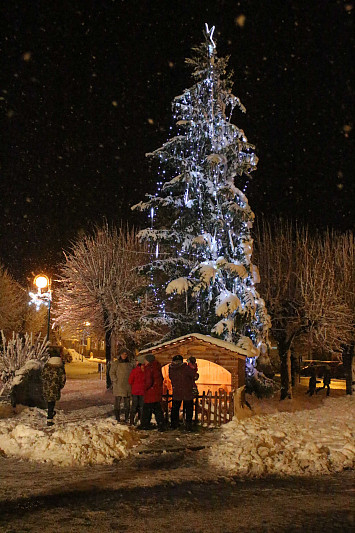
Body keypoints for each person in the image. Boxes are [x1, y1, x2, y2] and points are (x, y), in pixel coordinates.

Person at [169, 354, 197, 431]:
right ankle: (188, 425)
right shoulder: (186, 368)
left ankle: (174, 424)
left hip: (177, 391)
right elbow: (194, 375)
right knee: (188, 409)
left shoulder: (171, 368)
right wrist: (193, 366)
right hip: (187, 391)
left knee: (175, 409)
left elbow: (171, 378)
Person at [140, 354, 165, 431]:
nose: (144, 362)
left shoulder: (149, 368)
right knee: (157, 409)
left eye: (145, 360)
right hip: (156, 391)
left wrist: (144, 388)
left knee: (147, 410)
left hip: (150, 392)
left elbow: (148, 381)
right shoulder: (156, 367)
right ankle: (161, 424)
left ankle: (145, 424)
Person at [41, 354, 66, 426]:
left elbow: (43, 375)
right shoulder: (60, 368)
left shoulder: (47, 366)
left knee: (49, 401)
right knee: (52, 402)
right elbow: (63, 379)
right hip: (55, 387)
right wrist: (60, 386)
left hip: (46, 387)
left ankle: (50, 414)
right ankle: (50, 417)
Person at [109, 349, 133, 423]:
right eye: (123, 354)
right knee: (117, 403)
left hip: (127, 386)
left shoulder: (130, 364)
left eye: (125, 354)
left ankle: (126, 417)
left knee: (127, 404)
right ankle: (117, 417)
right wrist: (115, 380)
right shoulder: (116, 363)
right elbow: (112, 372)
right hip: (118, 385)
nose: (124, 356)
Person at [128, 355, 145, 425]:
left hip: (135, 392)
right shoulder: (146, 371)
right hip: (143, 392)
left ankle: (131, 420)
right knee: (142, 407)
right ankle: (141, 420)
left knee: (134, 407)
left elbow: (130, 381)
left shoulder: (134, 371)